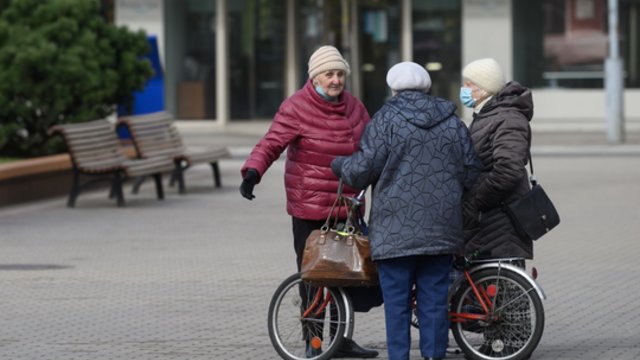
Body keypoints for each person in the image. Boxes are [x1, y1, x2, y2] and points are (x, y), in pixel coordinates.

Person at [331, 62, 481, 360]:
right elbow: (471, 173)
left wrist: (339, 165)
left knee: (397, 304)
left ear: (394, 88)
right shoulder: (452, 121)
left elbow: (361, 171)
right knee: (435, 302)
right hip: (441, 230)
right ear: (426, 87)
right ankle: (433, 356)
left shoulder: (385, 120)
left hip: (394, 231)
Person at [239, 45, 379, 359]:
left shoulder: (355, 108)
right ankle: (313, 343)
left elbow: (374, 147)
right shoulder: (296, 107)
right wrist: (252, 172)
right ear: (314, 76)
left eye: (340, 73)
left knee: (346, 275)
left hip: (347, 205)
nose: (335, 80)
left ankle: (340, 339)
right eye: (329, 74)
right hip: (311, 207)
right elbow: (272, 142)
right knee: (314, 278)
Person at [459, 58, 534, 263]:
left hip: (499, 220)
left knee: (499, 289)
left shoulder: (508, 118)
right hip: (488, 222)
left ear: (484, 89)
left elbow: (509, 168)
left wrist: (477, 200)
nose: (463, 89)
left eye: (468, 84)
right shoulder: (487, 115)